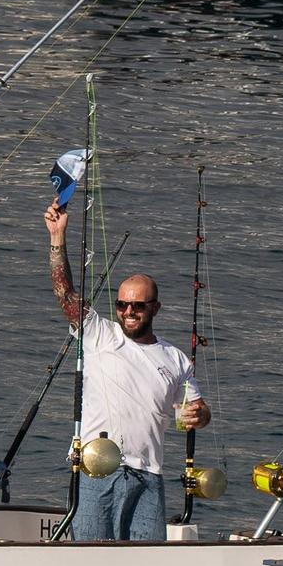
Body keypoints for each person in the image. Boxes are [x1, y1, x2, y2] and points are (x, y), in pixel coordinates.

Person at [44, 199, 210, 541]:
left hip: (149, 477)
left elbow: (190, 413)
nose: (128, 311)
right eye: (122, 304)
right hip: (97, 473)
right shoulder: (99, 334)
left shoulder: (177, 359)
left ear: (155, 308)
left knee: (147, 564)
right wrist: (58, 237)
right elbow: (65, 293)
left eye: (137, 304)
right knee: (90, 560)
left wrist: (200, 415)